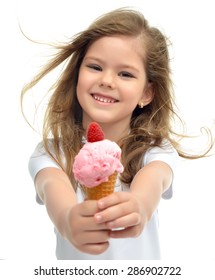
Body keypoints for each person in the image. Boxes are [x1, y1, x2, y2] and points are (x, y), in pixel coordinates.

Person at [21, 8, 213, 260]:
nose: (108, 80)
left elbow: (153, 180)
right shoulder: (51, 153)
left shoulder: (155, 150)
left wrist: (140, 206)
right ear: (78, 74)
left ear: (146, 93)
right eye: (95, 67)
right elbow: (51, 185)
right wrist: (68, 220)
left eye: (125, 74)